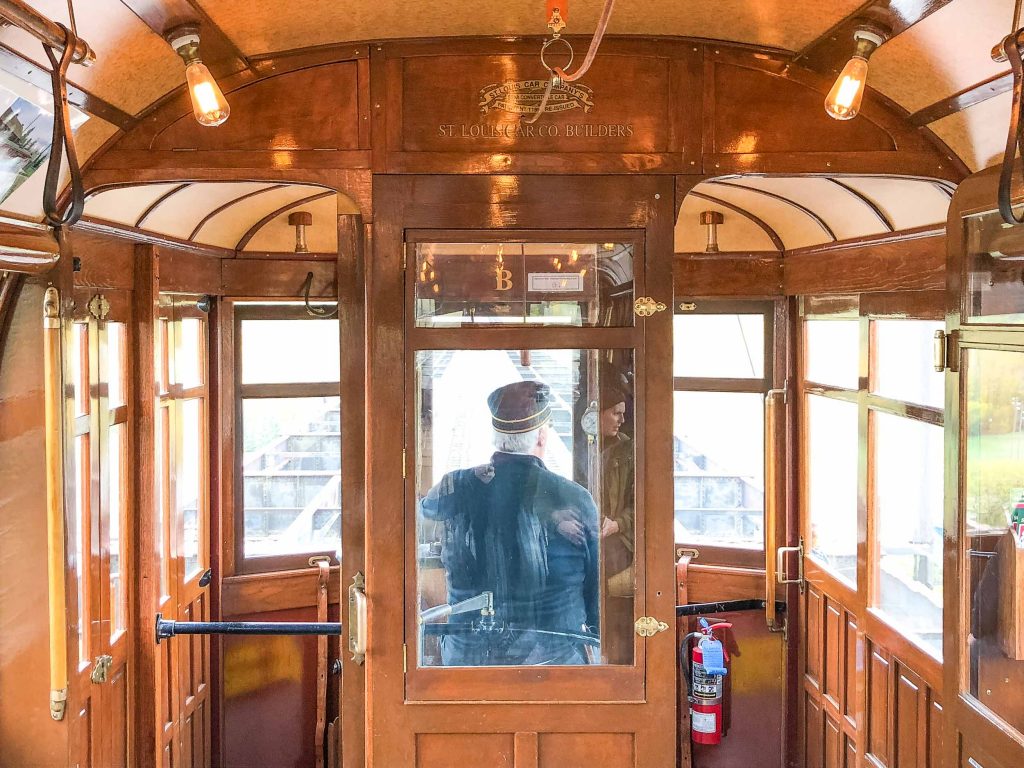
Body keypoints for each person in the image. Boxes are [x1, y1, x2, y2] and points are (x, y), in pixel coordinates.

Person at [420, 380, 601, 666]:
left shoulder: (454, 487)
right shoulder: (575, 499)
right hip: (553, 666)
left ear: (496, 437)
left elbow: (420, 519)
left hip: (466, 666)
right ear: (542, 436)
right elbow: (595, 596)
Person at [597, 379, 636, 665]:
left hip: (616, 539)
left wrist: (617, 524)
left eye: (623, 413)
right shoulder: (577, 444)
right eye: (616, 413)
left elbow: (642, 504)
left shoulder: (628, 452)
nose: (622, 420)